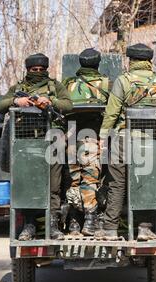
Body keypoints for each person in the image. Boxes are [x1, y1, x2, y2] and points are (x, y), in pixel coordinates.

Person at [96, 43, 156, 241]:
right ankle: (144, 228)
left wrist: (103, 137)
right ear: (149, 61)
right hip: (149, 141)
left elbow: (112, 112)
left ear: (131, 61)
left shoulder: (123, 80)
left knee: (116, 183)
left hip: (123, 139)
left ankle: (110, 228)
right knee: (144, 183)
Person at [0, 53, 73, 240]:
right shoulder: (19, 88)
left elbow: (69, 105)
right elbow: (0, 105)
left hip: (53, 140)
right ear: (28, 70)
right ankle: (29, 225)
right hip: (28, 142)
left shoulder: (55, 86)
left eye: (41, 69)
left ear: (46, 70)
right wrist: (17, 101)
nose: (37, 72)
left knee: (54, 184)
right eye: (34, 70)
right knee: (29, 185)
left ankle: (53, 225)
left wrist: (50, 102)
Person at [62, 48, 110, 236]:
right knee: (90, 180)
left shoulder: (67, 84)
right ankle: (90, 220)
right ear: (97, 64)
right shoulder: (105, 83)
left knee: (74, 181)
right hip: (92, 138)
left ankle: (74, 222)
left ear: (80, 64)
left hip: (70, 138)